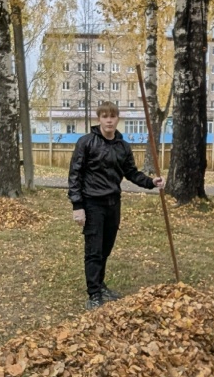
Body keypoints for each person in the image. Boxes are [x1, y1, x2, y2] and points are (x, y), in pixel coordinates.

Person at [68, 100, 165, 308]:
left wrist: (151, 182)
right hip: (92, 203)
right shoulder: (86, 143)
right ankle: (94, 294)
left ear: (117, 119)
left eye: (112, 116)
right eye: (105, 116)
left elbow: (130, 172)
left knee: (106, 248)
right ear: (99, 119)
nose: (109, 120)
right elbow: (75, 175)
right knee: (93, 249)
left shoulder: (122, 146)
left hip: (113, 203)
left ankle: (100, 284)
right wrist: (78, 206)